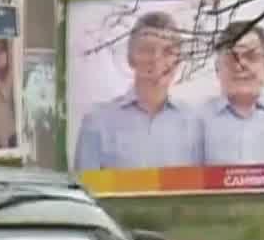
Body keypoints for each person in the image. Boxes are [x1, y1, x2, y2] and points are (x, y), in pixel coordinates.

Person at [72, 11, 202, 173]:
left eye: (168, 51)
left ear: (178, 60)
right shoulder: (97, 122)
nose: (157, 58)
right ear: (130, 58)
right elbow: (84, 190)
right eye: (147, 49)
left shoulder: (194, 123)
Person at [198, 22, 264, 165]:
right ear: (218, 68)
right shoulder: (196, 121)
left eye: (251, 56)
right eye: (231, 58)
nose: (240, 66)